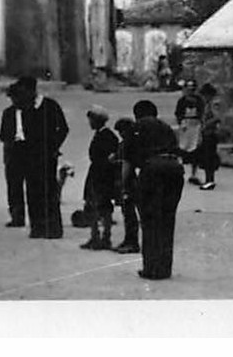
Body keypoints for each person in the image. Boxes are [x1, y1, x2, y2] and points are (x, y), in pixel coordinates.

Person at [0, 76, 69, 237]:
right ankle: (37, 227)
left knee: (48, 193)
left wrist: (53, 147)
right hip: (27, 156)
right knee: (32, 192)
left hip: (45, 156)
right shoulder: (24, 108)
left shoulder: (50, 106)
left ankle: (53, 228)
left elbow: (63, 128)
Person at [128, 99, 185, 280]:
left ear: (137, 114)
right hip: (174, 169)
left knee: (150, 220)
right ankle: (164, 268)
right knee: (167, 219)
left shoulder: (137, 127)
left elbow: (127, 162)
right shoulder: (166, 127)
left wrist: (126, 187)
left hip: (152, 169)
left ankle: (151, 268)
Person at [79, 106, 121, 251]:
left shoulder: (105, 136)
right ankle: (101, 237)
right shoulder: (107, 135)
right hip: (100, 173)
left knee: (97, 205)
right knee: (101, 206)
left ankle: (99, 237)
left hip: (101, 174)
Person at [111, 117, 141, 254]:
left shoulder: (127, 144)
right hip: (132, 180)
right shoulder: (134, 143)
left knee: (129, 213)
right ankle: (129, 240)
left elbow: (126, 165)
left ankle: (131, 241)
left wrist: (121, 183)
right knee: (128, 212)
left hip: (128, 180)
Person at [175, 78, 205, 185]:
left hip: (195, 125)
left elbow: (201, 113)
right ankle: (181, 171)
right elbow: (178, 113)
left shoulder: (199, 100)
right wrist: (181, 123)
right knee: (182, 148)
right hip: (185, 124)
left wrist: (201, 125)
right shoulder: (182, 100)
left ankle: (194, 173)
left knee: (195, 148)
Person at [197, 94, 222, 191]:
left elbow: (217, 119)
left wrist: (205, 125)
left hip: (210, 135)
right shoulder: (207, 107)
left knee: (209, 158)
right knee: (207, 158)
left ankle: (210, 180)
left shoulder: (212, 107)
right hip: (207, 135)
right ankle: (208, 179)